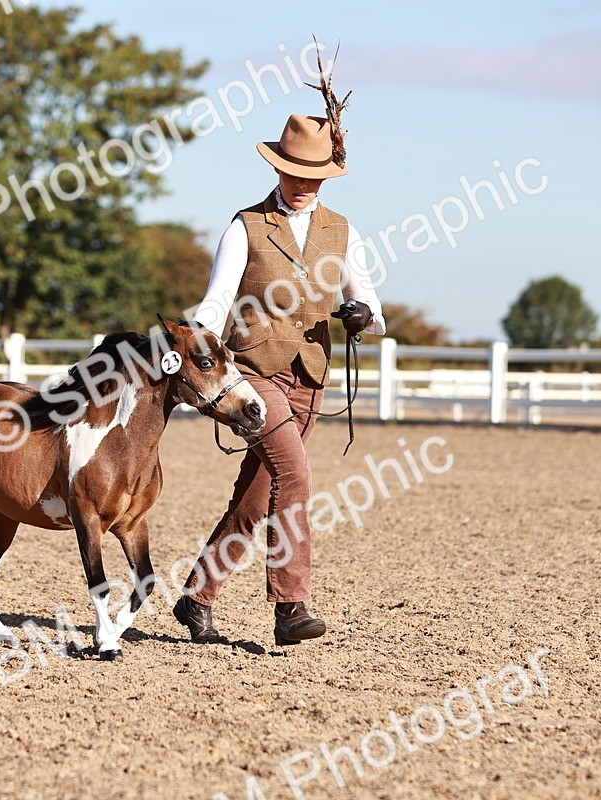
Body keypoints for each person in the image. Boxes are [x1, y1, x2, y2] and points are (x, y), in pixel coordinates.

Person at [172, 112, 386, 647]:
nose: (303, 185)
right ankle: (290, 606)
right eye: (294, 173)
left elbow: (371, 305)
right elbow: (219, 299)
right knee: (295, 473)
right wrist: (197, 348)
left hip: (309, 377)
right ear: (277, 168)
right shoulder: (245, 226)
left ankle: (196, 597)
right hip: (253, 375)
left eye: (313, 175)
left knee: (258, 491)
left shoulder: (343, 229)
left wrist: (361, 315)